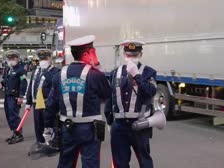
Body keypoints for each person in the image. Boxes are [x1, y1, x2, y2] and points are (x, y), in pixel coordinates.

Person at [45, 35, 111, 168]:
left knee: (66, 163)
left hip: (67, 127)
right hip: (90, 129)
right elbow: (107, 94)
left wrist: (47, 127)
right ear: (88, 53)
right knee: (90, 163)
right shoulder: (95, 74)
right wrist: (98, 66)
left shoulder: (59, 74)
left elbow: (51, 104)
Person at [105, 40, 157, 168]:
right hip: (119, 126)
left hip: (140, 125)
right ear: (124, 54)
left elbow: (151, 92)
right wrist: (110, 121)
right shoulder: (114, 72)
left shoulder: (148, 72)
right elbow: (109, 98)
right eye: (129, 55)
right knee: (120, 163)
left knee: (144, 161)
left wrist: (137, 76)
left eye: (134, 55)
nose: (131, 58)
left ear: (140, 54)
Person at [26, 49, 60, 145]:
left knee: (50, 124)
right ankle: (40, 142)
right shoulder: (36, 71)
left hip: (48, 103)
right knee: (38, 124)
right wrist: (28, 102)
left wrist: (46, 71)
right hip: (36, 102)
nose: (43, 61)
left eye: (45, 58)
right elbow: (31, 86)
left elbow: (55, 85)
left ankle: (51, 143)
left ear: (50, 59)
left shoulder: (56, 71)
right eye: (41, 59)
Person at [0, 50, 27, 144]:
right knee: (9, 115)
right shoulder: (8, 69)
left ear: (17, 59)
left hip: (14, 96)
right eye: (9, 58)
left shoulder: (21, 70)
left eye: (13, 58)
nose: (11, 60)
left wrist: (21, 96)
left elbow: (23, 83)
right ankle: (14, 133)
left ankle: (18, 134)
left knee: (14, 116)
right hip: (7, 96)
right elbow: (5, 79)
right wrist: (1, 83)